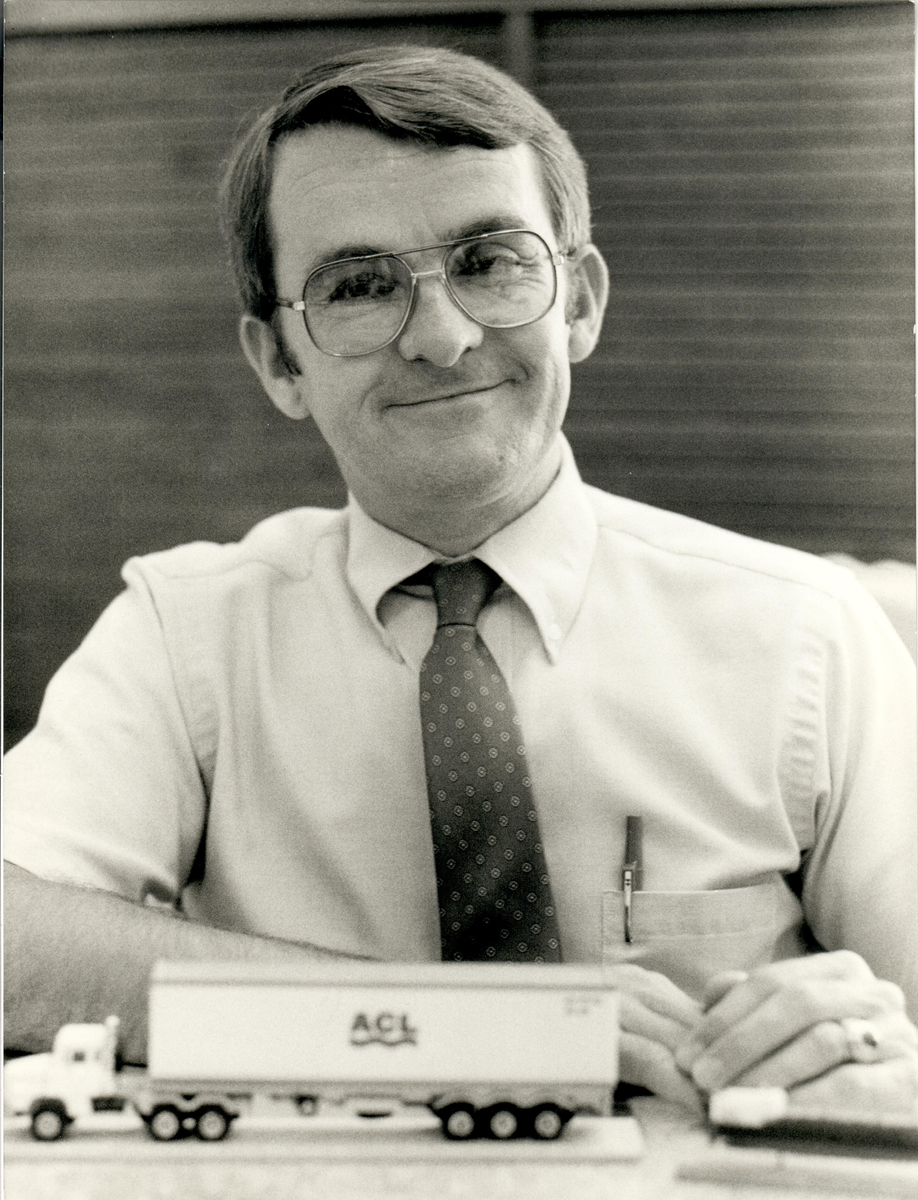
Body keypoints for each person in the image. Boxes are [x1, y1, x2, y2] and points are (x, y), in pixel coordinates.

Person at [4, 45, 916, 1116]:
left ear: (579, 302)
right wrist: (454, 1028)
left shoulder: (811, 636)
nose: (441, 338)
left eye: (490, 262)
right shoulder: (184, 634)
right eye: (357, 286)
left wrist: (874, 1042)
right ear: (280, 363)